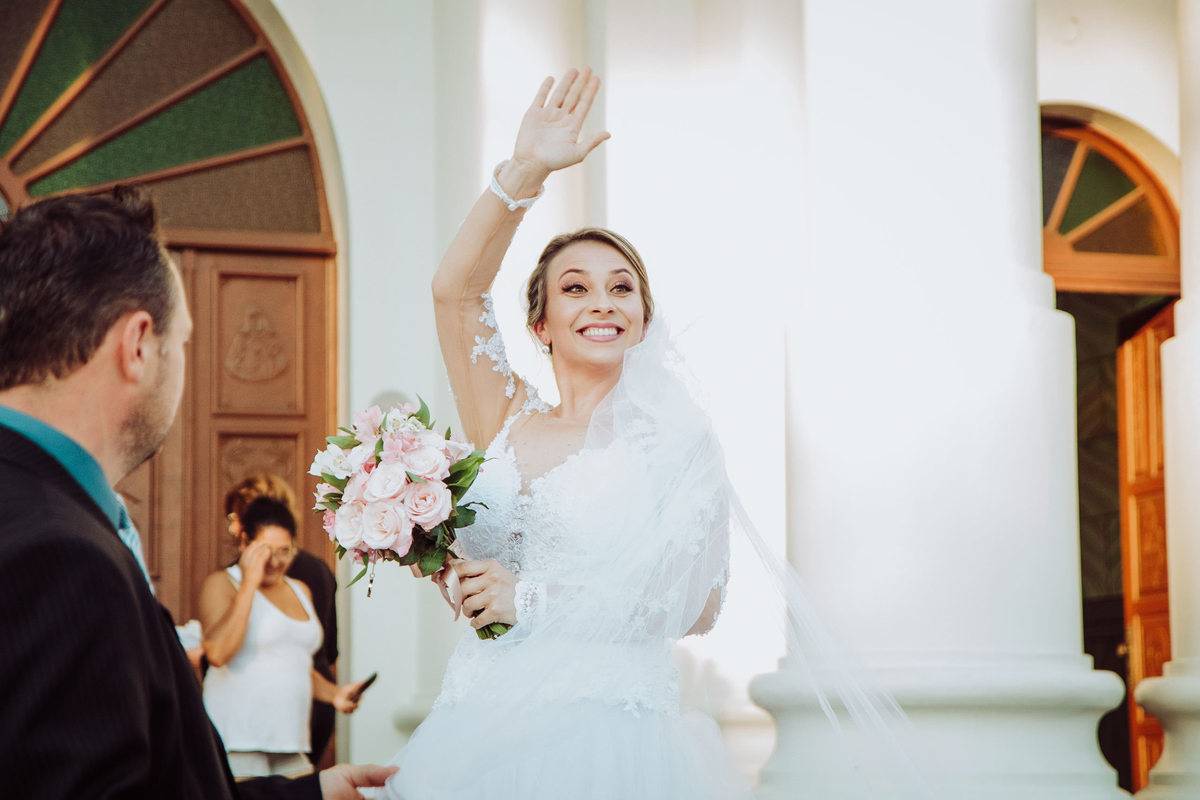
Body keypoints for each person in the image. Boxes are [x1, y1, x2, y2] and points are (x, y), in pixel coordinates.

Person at [0, 185, 395, 798]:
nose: (185, 365)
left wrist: (310, 793)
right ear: (137, 346)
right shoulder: (58, 555)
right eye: (182, 342)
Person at [200, 497, 361, 778]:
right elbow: (217, 653)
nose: (274, 562)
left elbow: (294, 662)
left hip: (290, 738)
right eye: (265, 551)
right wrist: (249, 582)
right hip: (238, 738)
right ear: (245, 543)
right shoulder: (223, 584)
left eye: (284, 551)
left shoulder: (300, 589)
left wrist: (335, 694)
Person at [224, 473, 340, 766]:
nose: (232, 526)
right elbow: (331, 650)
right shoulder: (321, 569)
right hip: (316, 706)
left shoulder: (240, 577)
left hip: (275, 712)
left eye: (236, 517)